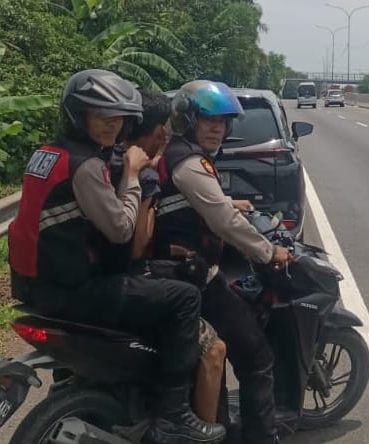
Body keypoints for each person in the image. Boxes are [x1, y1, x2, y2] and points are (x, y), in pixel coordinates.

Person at [8, 69, 225, 444]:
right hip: (74, 290)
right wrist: (133, 174)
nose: (112, 127)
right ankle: (174, 416)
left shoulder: (46, 154)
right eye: (102, 118)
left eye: (118, 119)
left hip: (35, 286)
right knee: (186, 299)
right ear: (80, 116)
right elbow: (122, 230)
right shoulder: (88, 165)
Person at [152, 80, 292, 444]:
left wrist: (231, 202)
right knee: (256, 354)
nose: (217, 128)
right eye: (208, 120)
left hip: (170, 268)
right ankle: (261, 437)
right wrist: (267, 252)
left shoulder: (177, 154)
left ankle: (221, 425)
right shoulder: (191, 162)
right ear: (186, 121)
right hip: (192, 273)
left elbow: (200, 203)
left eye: (224, 121)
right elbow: (222, 223)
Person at [106, 89, 227, 423]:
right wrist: (146, 190)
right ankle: (194, 427)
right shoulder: (142, 174)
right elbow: (139, 243)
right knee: (214, 349)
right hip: (128, 278)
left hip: (88, 279)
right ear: (161, 131)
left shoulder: (107, 158)